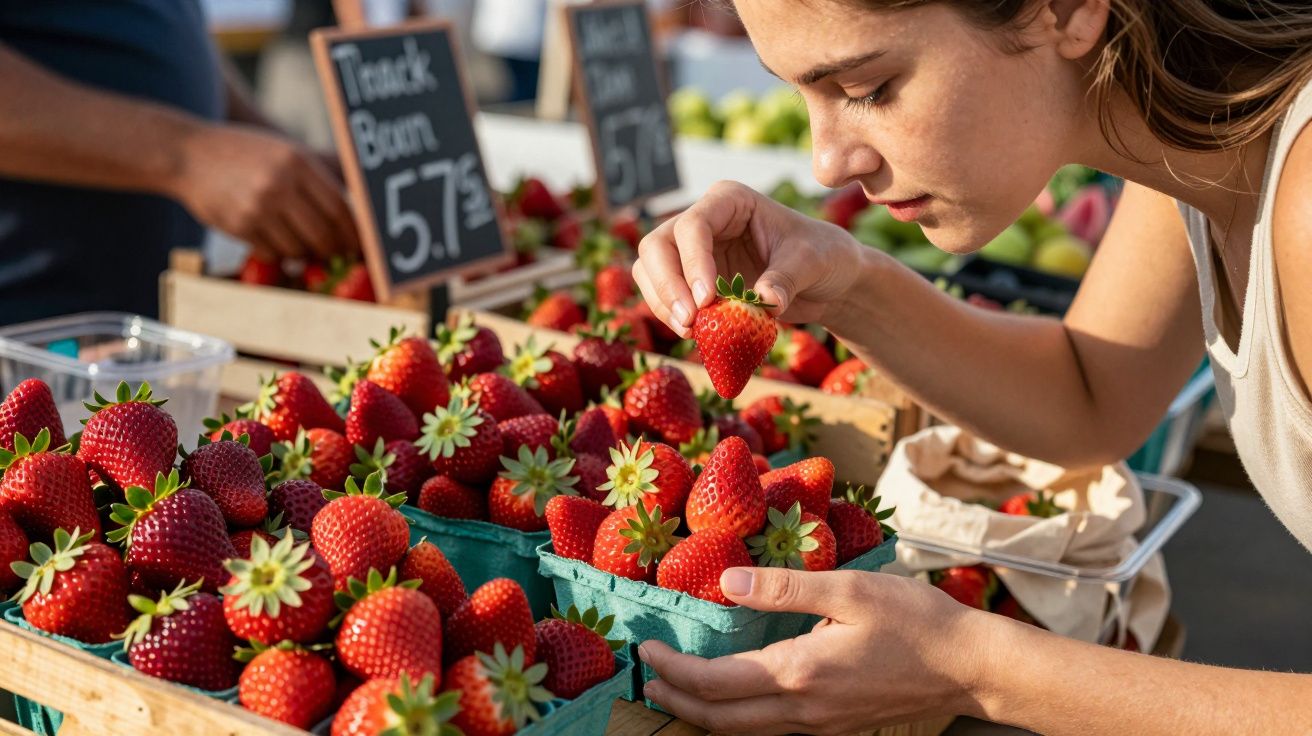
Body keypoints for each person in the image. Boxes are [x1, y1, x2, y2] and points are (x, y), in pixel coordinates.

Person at [632, 1, 1312, 733]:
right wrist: (845, 283)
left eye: (868, 89)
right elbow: (1091, 396)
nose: (826, 163)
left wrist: (974, 668)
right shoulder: (1193, 143)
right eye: (799, 93)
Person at [0, 1, 360, 325]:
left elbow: (173, 32)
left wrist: (286, 154)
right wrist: (189, 153)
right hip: (31, 334)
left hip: (140, 333)